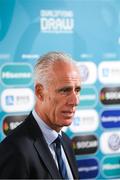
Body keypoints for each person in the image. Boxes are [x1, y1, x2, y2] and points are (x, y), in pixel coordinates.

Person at [0, 51, 81, 179]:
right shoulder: (15, 150)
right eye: (65, 90)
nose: (75, 101)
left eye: (77, 90)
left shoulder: (65, 141)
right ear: (40, 92)